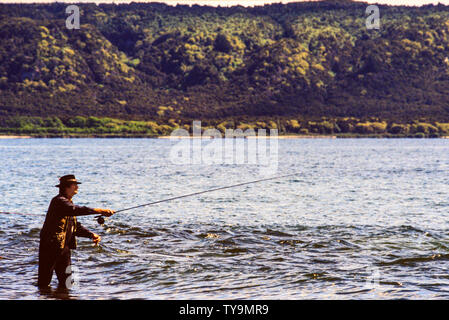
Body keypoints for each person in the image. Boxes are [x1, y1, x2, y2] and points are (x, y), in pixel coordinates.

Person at [37, 174, 115, 289]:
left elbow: (75, 227)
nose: (77, 187)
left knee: (67, 283)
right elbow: (75, 210)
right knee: (44, 282)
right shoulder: (59, 201)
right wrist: (100, 210)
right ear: (67, 187)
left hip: (64, 249)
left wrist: (91, 234)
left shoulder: (68, 202)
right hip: (50, 248)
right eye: (75, 185)